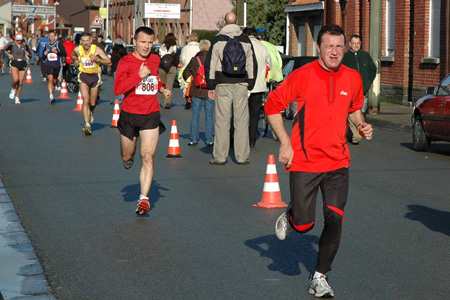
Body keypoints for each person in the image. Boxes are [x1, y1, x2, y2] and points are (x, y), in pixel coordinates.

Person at [265, 24, 373, 298]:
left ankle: (319, 276)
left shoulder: (352, 77)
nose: (335, 52)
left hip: (338, 161)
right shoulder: (302, 76)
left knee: (335, 220)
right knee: (304, 225)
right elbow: (272, 106)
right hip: (305, 161)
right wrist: (286, 143)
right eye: (329, 46)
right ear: (319, 48)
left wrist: (361, 125)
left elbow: (354, 110)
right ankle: (292, 216)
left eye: (339, 46)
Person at [113, 26, 171, 215]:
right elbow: (118, 89)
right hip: (130, 114)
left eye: (150, 42)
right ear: (135, 42)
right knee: (127, 156)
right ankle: (128, 158)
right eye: (143, 42)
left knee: (147, 157)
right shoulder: (126, 62)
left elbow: (154, 80)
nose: (146, 46)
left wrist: (162, 88)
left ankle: (144, 199)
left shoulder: (155, 59)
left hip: (150, 114)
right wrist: (139, 75)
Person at [205, 12, 256, 165]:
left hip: (222, 83)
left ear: (224, 22)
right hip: (241, 84)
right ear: (237, 22)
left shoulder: (218, 40)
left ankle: (220, 156)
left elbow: (211, 64)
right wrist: (250, 84)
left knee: (222, 121)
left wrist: (211, 85)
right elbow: (251, 64)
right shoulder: (245, 40)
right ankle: (242, 156)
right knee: (241, 121)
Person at [71, 32, 111, 135]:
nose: (86, 43)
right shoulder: (77, 49)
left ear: (91, 41)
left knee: (93, 103)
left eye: (87, 40)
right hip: (83, 76)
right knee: (86, 100)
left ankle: (91, 111)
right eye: (83, 41)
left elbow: (109, 62)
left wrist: (97, 59)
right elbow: (72, 55)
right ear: (81, 42)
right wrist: (75, 60)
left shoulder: (96, 49)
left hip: (95, 76)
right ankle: (87, 125)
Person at [342, 34, 377, 145]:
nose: (356, 45)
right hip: (349, 90)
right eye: (354, 43)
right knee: (351, 111)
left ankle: (356, 131)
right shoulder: (345, 57)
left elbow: (373, 69)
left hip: (362, 90)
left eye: (358, 43)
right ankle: (355, 136)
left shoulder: (365, 55)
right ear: (350, 44)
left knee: (361, 112)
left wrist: (367, 82)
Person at [182, 39, 215, 146]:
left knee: (195, 116)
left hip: (196, 90)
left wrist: (193, 77)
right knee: (209, 116)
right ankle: (209, 139)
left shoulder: (195, 60)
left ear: (200, 48)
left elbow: (185, 73)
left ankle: (193, 139)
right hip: (209, 90)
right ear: (210, 48)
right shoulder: (213, 59)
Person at [243, 26, 271, 148]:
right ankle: (252, 139)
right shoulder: (263, 48)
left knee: (241, 114)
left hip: (244, 85)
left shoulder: (242, 46)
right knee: (254, 115)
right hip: (259, 86)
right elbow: (270, 64)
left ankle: (239, 138)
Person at [5, 33, 32, 104]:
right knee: (16, 79)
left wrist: (28, 54)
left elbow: (30, 53)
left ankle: (17, 97)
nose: (19, 41)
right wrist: (9, 55)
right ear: (15, 39)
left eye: (20, 40)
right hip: (14, 62)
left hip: (23, 62)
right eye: (18, 40)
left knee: (20, 82)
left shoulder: (25, 45)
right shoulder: (12, 44)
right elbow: (5, 50)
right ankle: (13, 88)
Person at [43, 31, 66, 103]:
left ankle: (55, 83)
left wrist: (57, 52)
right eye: (50, 36)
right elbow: (43, 55)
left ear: (55, 36)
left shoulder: (58, 44)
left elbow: (64, 53)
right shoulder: (47, 45)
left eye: (53, 36)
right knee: (50, 79)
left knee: (54, 80)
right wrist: (44, 54)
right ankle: (51, 96)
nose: (51, 37)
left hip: (57, 65)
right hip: (49, 64)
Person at [179, 32, 200, 109]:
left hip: (187, 67)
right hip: (197, 68)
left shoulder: (185, 48)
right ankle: (195, 99)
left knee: (186, 84)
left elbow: (182, 58)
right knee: (195, 83)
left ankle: (187, 100)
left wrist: (184, 64)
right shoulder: (199, 47)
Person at [158, 33, 179, 109]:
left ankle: (163, 102)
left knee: (163, 85)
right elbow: (176, 60)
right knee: (169, 86)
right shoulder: (175, 48)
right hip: (172, 67)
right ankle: (167, 103)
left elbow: (159, 58)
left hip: (162, 68)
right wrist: (174, 67)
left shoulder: (161, 47)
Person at [110, 38, 128, 103]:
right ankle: (122, 98)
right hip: (124, 69)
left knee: (117, 84)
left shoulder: (114, 52)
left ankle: (118, 99)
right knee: (123, 84)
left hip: (116, 69)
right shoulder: (124, 51)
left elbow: (112, 61)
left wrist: (112, 68)